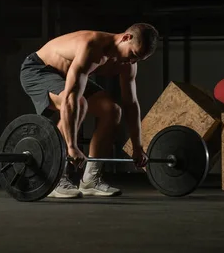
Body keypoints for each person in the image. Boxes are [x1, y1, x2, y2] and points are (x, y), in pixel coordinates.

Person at [20, 23, 159, 198]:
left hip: (66, 76)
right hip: (39, 70)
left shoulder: (128, 64)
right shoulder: (92, 47)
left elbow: (130, 104)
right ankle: (56, 177)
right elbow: (71, 98)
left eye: (138, 59)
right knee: (80, 103)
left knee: (112, 110)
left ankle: (90, 180)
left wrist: (138, 147)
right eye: (133, 54)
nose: (132, 61)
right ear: (126, 38)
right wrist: (71, 146)